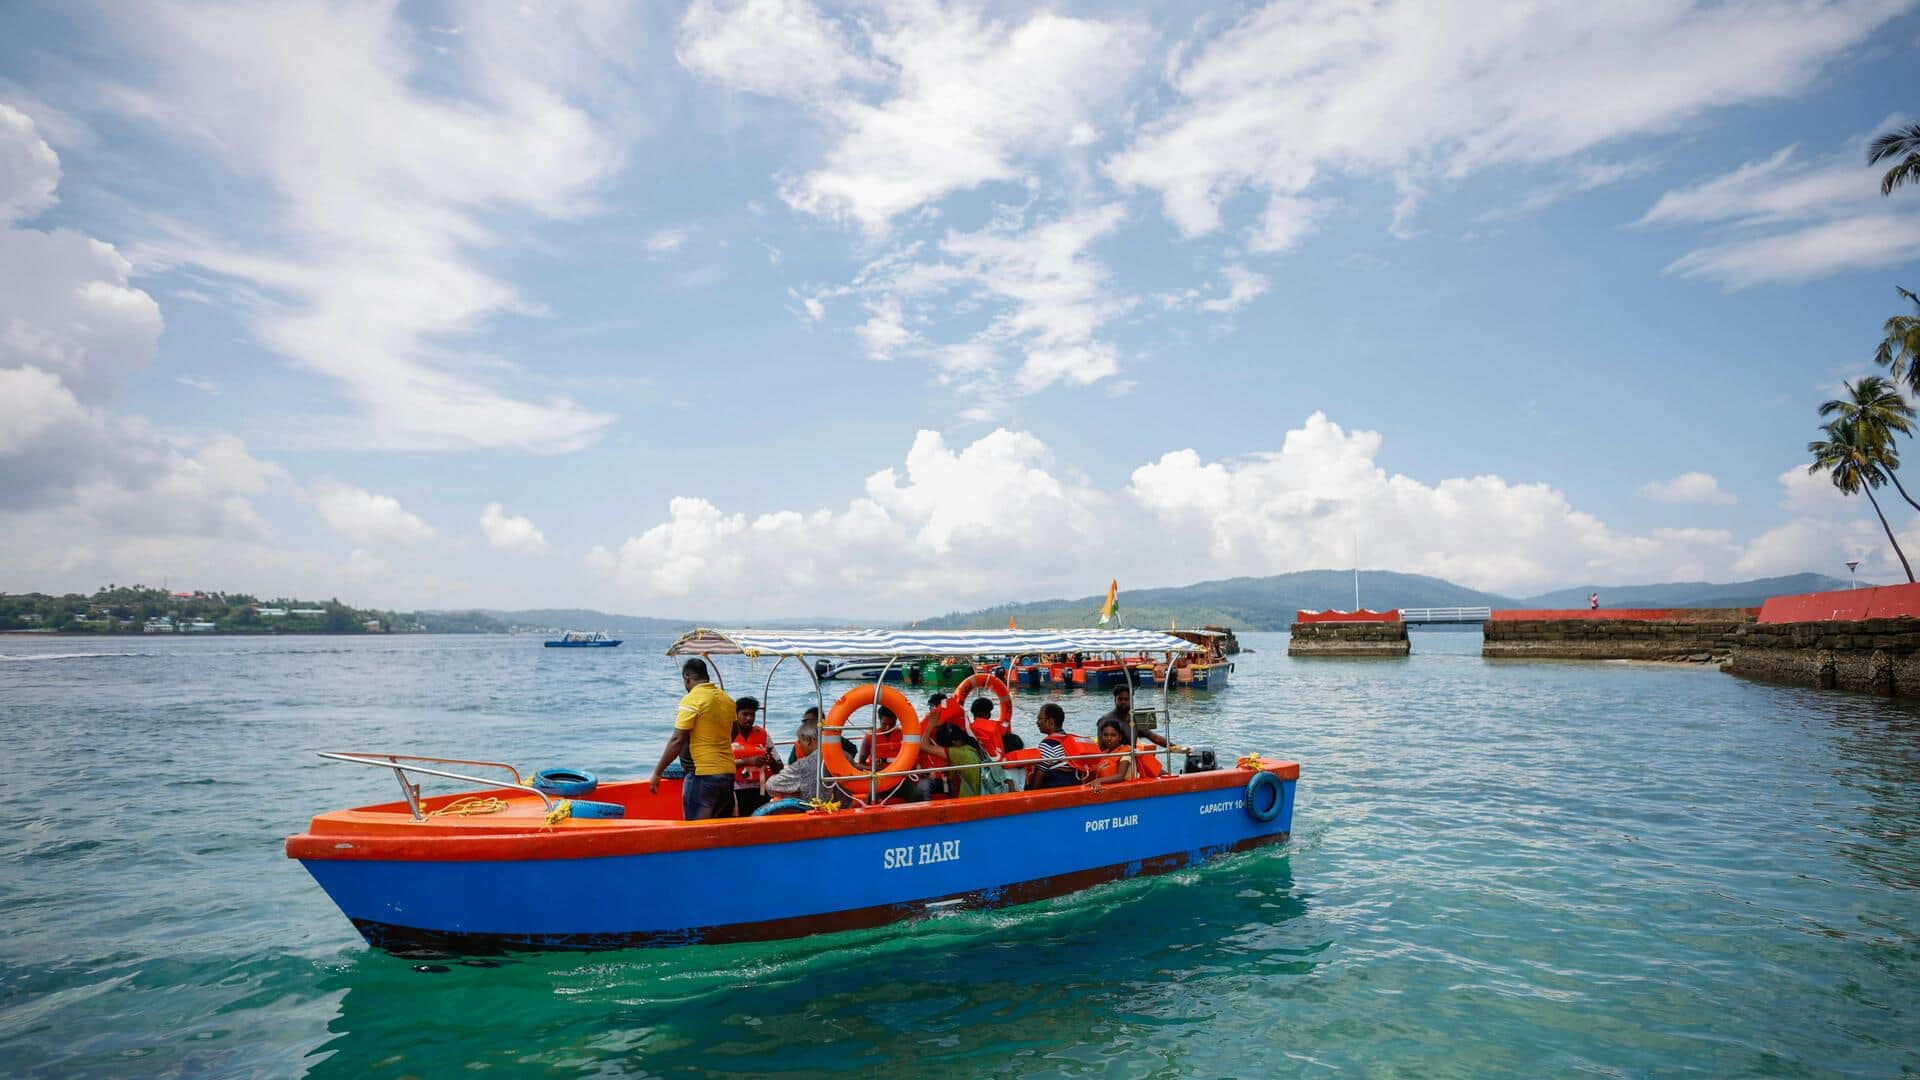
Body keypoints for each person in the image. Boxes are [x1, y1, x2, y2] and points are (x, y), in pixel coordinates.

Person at [650, 658, 737, 820]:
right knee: (721, 828)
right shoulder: (727, 700)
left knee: (696, 830)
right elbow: (733, 733)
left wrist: (658, 772)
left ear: (687, 678)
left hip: (702, 775)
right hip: (727, 773)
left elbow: (677, 740)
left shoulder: (692, 699)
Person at [765, 719, 839, 805]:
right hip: (844, 810)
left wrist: (794, 791)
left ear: (808, 740)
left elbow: (771, 785)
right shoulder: (845, 756)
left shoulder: (804, 764)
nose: (799, 746)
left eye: (800, 742)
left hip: (816, 811)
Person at [731, 696, 776, 817]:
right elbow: (720, 765)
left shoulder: (763, 735)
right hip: (735, 790)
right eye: (744, 714)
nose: (749, 718)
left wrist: (770, 761)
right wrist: (748, 761)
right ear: (736, 715)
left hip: (761, 790)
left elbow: (779, 766)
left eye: (752, 715)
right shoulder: (727, 735)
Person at [1031, 703, 1087, 789]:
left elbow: (1039, 773)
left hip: (1056, 790)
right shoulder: (1069, 741)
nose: (1037, 722)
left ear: (1051, 721)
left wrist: (1030, 793)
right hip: (1075, 786)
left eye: (1040, 719)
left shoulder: (1047, 745)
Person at [1100, 683, 1169, 748]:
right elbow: (1101, 747)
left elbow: (1154, 738)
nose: (1123, 702)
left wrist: (1174, 747)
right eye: (1120, 699)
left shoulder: (1137, 718)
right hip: (1112, 757)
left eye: (1126, 699)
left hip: (1131, 756)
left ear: (1132, 700)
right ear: (1115, 700)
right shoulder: (1105, 720)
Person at [933, 722, 988, 798]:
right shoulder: (971, 745)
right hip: (982, 792)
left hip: (970, 798)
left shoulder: (959, 753)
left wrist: (930, 724)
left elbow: (923, 745)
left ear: (953, 742)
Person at [1089, 718, 1139, 791]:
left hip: (1127, 789)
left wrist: (1098, 780)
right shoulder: (1105, 753)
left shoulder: (1126, 752)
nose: (1109, 738)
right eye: (1105, 735)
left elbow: (1120, 776)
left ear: (1120, 737)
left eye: (1113, 735)